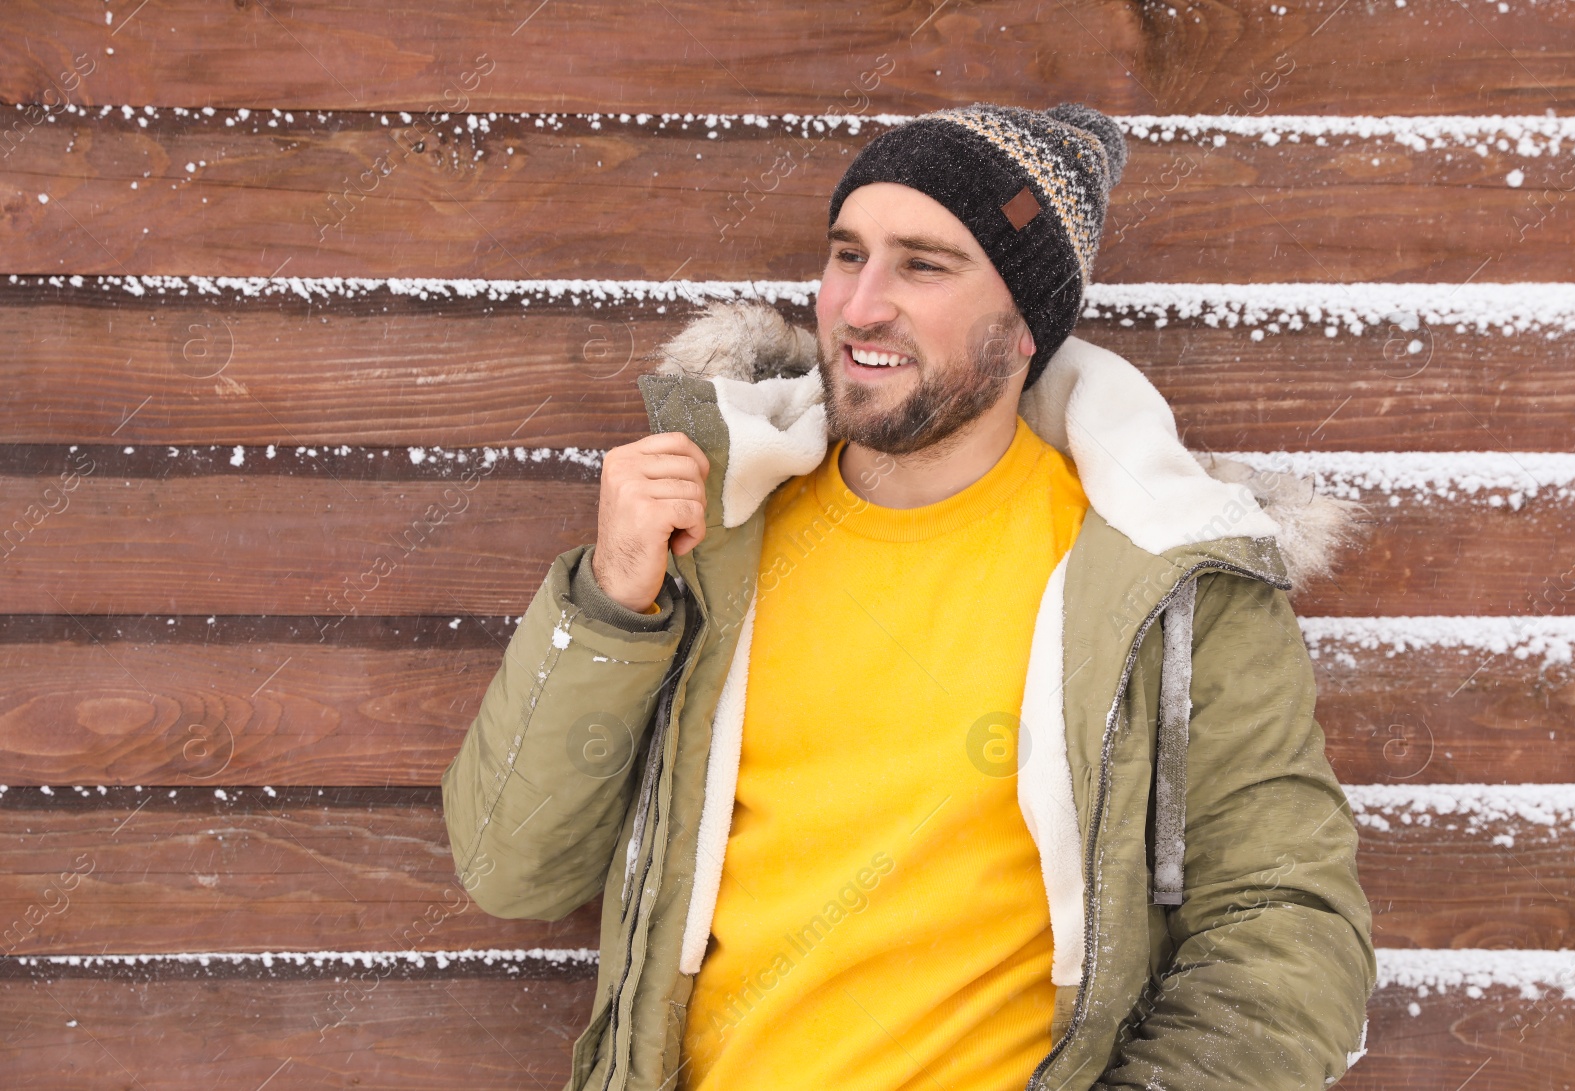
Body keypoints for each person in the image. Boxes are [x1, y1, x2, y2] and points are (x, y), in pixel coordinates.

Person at [442, 101, 1375, 1091]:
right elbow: (513, 867)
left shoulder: (1163, 574)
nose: (860, 303)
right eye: (847, 254)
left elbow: (1286, 922)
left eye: (922, 265)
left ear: (1025, 327)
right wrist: (608, 607)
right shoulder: (714, 533)